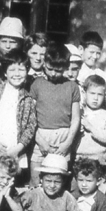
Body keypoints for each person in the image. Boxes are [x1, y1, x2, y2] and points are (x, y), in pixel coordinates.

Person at [28, 44, 81, 187]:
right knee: (36, 179)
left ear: (65, 68)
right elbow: (30, 118)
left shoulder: (72, 87)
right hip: (40, 136)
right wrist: (41, 142)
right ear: (44, 63)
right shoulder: (37, 84)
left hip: (64, 137)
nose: (52, 74)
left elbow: (76, 118)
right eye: (49, 69)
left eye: (58, 71)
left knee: (57, 181)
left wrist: (68, 143)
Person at [0, 50, 36, 174]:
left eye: (21, 70)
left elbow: (31, 126)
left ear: (27, 71)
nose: (17, 74)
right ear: (5, 73)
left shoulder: (27, 98)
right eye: (12, 70)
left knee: (10, 184)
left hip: (15, 150)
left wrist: (18, 148)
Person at [75, 75, 106, 167]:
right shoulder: (79, 112)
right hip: (78, 158)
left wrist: (91, 128)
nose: (96, 98)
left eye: (100, 94)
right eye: (92, 93)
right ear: (84, 93)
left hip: (99, 160)